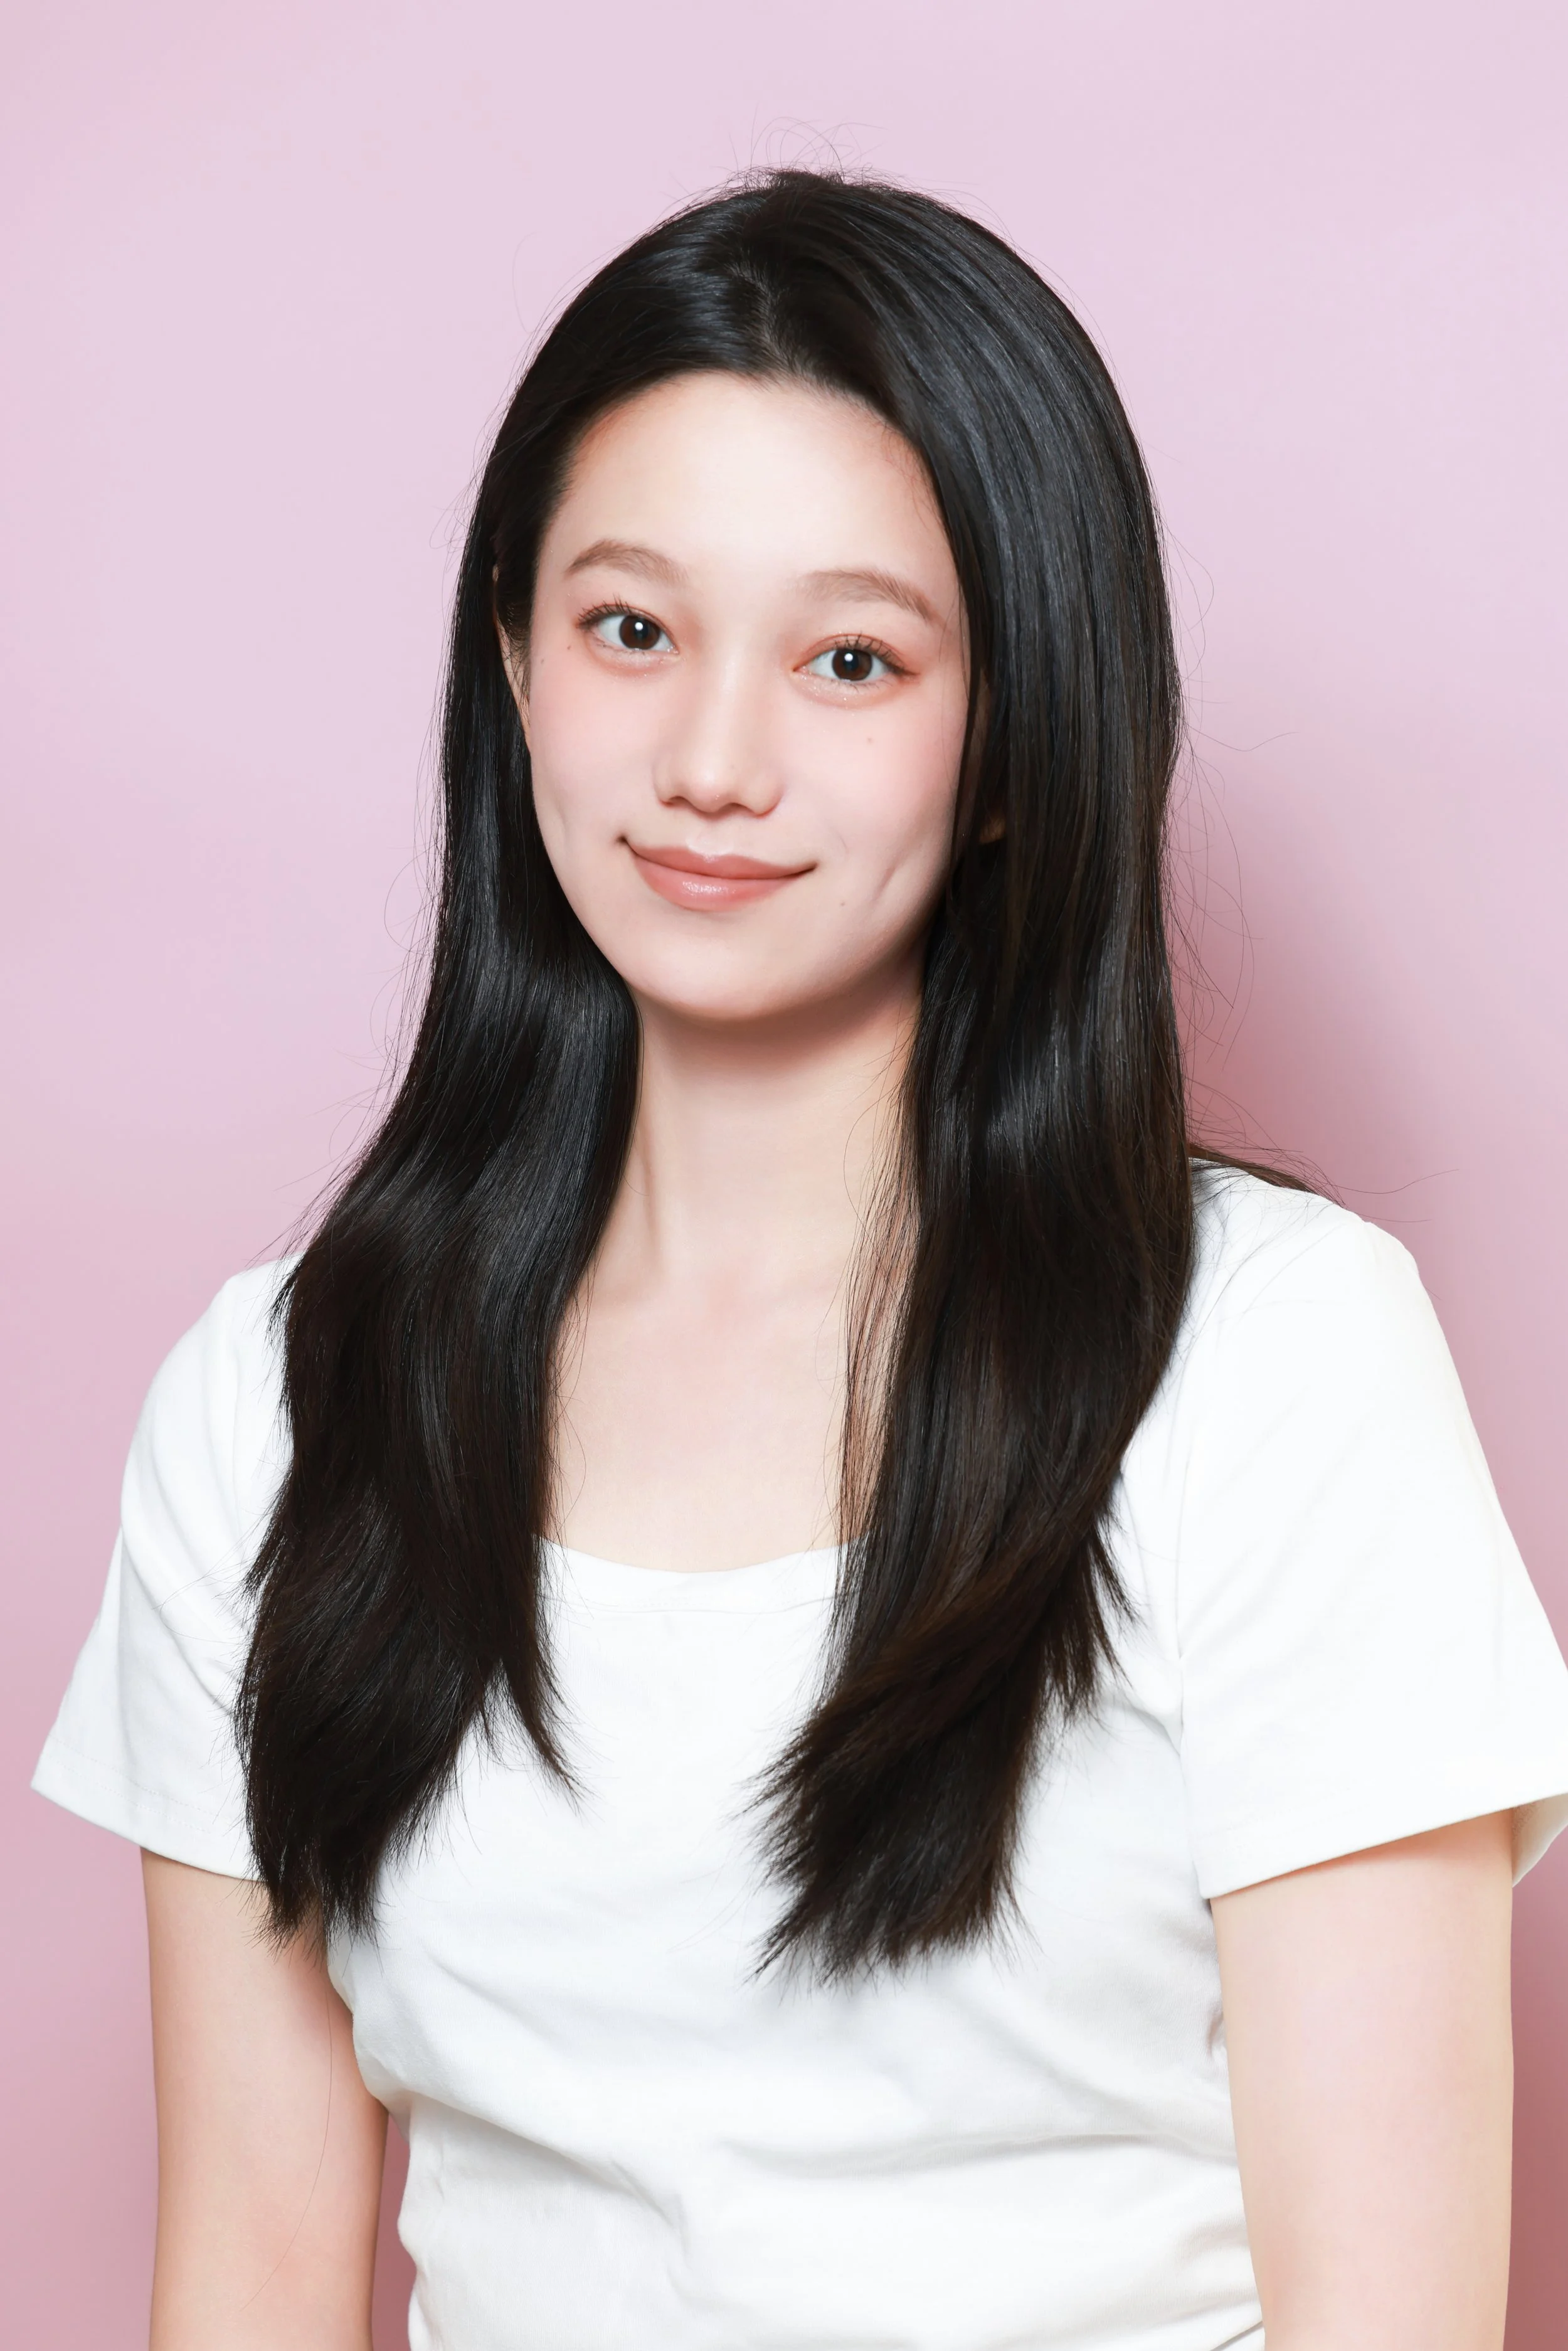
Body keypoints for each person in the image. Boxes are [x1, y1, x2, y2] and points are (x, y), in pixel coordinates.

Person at [33, 168, 1568, 2351]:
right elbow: (254, 2287)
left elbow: (1390, 2319)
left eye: (850, 658)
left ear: (1021, 734)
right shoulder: (284, 1401)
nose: (713, 761)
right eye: (630, 629)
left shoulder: (1267, 1364)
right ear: (513, 665)